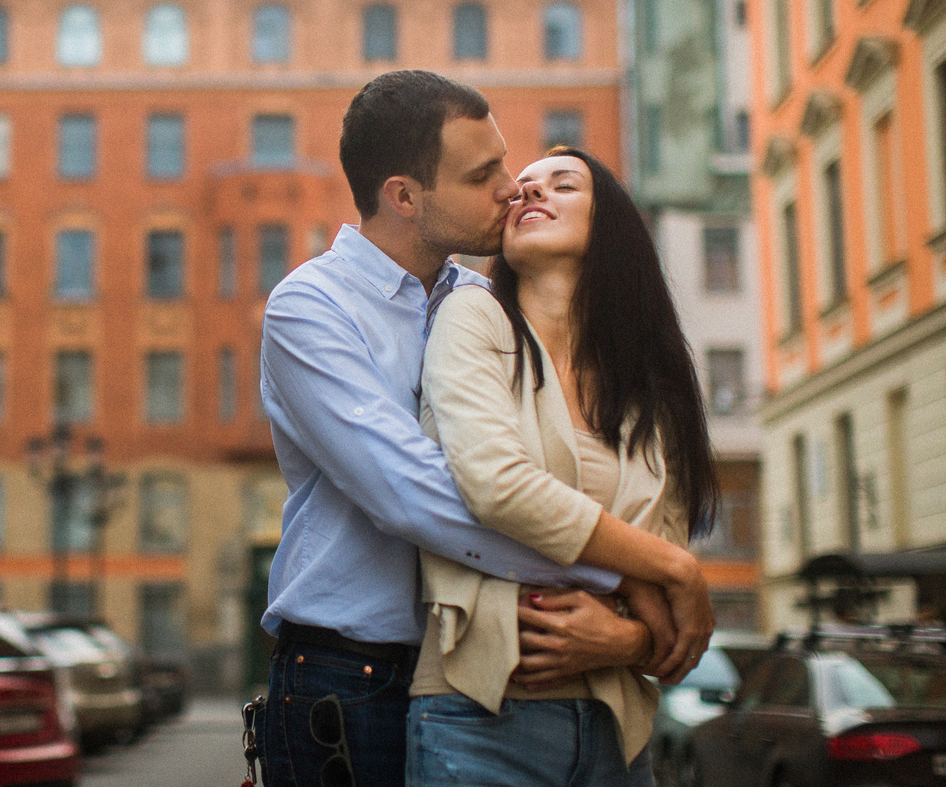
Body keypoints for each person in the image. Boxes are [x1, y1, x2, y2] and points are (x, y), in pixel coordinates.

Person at [256, 72, 696, 787]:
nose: (511, 189)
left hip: (476, 671)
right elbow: (417, 495)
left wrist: (628, 625)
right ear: (404, 195)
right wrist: (632, 571)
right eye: (484, 174)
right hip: (346, 672)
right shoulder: (310, 308)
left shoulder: (485, 304)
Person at [407, 147, 719, 787]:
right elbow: (498, 486)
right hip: (478, 718)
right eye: (520, 188)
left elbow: (673, 627)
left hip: (618, 730)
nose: (529, 193)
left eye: (563, 184)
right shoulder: (473, 317)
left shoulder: (647, 383)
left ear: (609, 228)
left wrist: (626, 641)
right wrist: (677, 570)